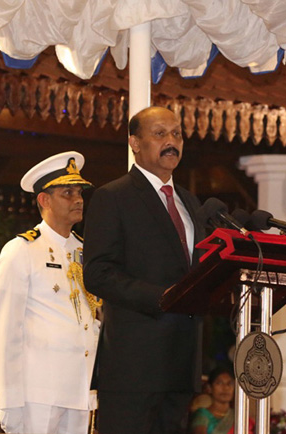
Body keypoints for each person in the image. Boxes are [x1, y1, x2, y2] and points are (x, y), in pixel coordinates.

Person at [83, 106, 205, 434]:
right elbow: (97, 272)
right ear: (135, 143)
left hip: (181, 365)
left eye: (177, 134)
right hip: (133, 368)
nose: (172, 141)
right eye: (160, 133)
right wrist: (161, 297)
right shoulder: (113, 197)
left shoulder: (191, 203)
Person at [0, 151, 100, 434]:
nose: (78, 199)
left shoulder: (86, 252)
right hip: (37, 393)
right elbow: (5, 332)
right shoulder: (22, 251)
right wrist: (9, 400)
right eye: (67, 193)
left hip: (80, 389)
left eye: (79, 192)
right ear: (44, 200)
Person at [190, 366, 254, 434]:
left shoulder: (239, 415)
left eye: (230, 383)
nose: (225, 388)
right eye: (219, 383)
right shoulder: (202, 415)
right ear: (209, 388)